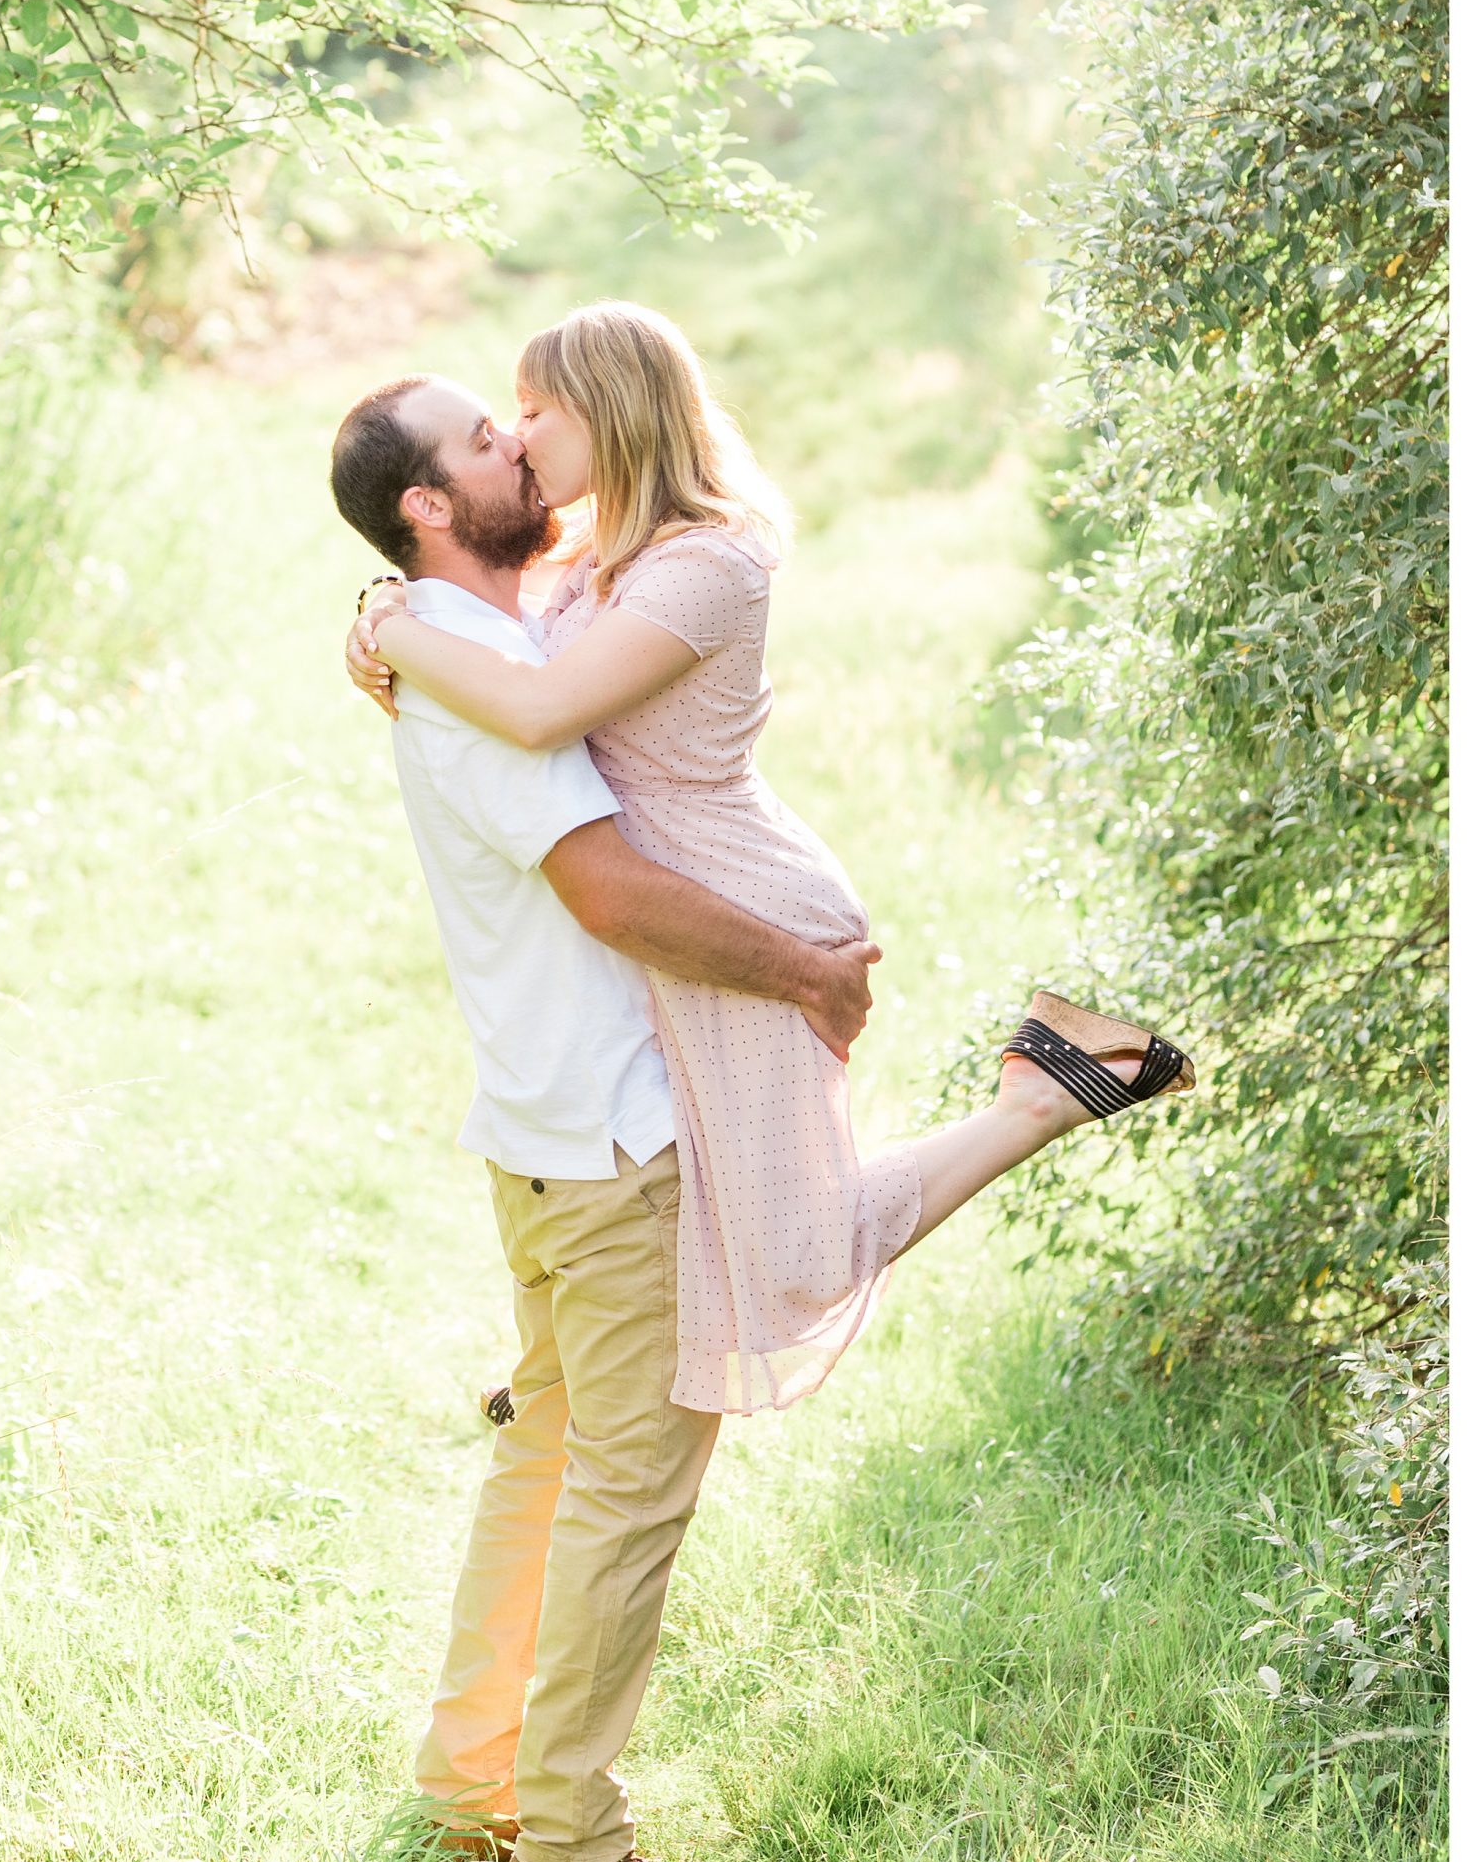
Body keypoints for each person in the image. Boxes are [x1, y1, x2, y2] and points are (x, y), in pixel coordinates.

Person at [348, 302, 1194, 1431]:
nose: (517, 434)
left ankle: (1041, 1096)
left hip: (740, 897)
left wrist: (392, 636)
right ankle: (566, 1369)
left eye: (537, 411)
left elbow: (542, 705)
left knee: (798, 1248)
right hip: (677, 898)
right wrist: (378, 599)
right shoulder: (602, 547)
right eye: (505, 420)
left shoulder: (708, 564)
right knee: (714, 1215)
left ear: (610, 414)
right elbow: (468, 575)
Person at [329, 373, 888, 1862]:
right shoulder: (484, 666)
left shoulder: (487, 635)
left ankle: (471, 1781)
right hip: (607, 1144)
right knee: (631, 1491)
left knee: (553, 1460)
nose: (519, 442)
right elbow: (611, 891)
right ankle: (571, 1842)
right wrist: (803, 969)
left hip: (551, 1132)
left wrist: (381, 614)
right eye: (485, 441)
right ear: (431, 508)